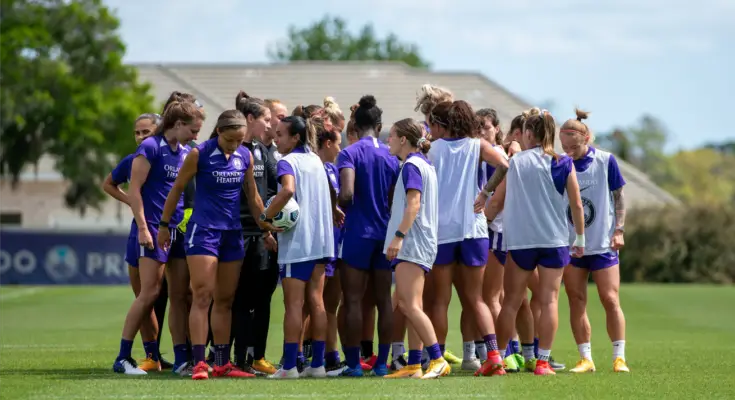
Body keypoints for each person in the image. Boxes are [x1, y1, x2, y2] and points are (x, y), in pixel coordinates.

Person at [158, 109, 267, 380]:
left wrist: (266, 224)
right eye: (230, 139)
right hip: (204, 232)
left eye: (240, 140)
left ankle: (221, 363)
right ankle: (198, 363)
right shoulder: (200, 153)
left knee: (226, 300)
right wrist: (163, 225)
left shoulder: (245, 156)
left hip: (233, 234)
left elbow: (252, 196)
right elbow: (177, 189)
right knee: (202, 296)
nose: (235, 145)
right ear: (219, 131)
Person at [492, 110, 585, 376]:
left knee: (510, 301)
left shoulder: (517, 162)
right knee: (549, 302)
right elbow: (577, 205)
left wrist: (482, 216)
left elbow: (496, 201)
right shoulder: (564, 163)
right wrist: (579, 238)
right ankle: (542, 361)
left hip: (521, 241)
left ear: (529, 134)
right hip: (553, 240)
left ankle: (497, 360)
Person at [112, 101, 202, 375]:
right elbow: (135, 190)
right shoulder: (150, 148)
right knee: (149, 292)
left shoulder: (185, 152)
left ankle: (181, 359)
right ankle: (123, 357)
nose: (196, 135)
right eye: (193, 129)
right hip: (152, 229)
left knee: (178, 295)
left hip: (176, 230)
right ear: (178, 125)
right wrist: (142, 227)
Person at [426, 100, 509, 377]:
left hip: (443, 231)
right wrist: (485, 193)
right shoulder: (476, 145)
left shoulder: (433, 148)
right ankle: (494, 355)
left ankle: (437, 359)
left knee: (440, 300)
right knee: (476, 299)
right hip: (474, 230)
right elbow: (504, 164)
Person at [266, 115, 341, 379]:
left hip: (298, 244)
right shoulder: (315, 160)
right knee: (317, 303)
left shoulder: (287, 162)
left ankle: (288, 368)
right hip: (321, 242)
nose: (276, 139)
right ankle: (318, 365)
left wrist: (265, 217)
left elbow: (287, 191)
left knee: (294, 306)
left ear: (295, 137)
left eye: (280, 134)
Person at [559, 109, 629, 373]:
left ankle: (619, 357)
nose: (569, 152)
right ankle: (585, 358)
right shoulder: (560, 163)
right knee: (576, 300)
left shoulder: (605, 160)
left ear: (586, 138)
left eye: (573, 147)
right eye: (564, 147)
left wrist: (619, 229)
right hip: (571, 245)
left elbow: (619, 196)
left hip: (602, 243)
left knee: (610, 299)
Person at [337, 95, 400, 377]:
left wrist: (335, 201)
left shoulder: (348, 153)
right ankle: (383, 363)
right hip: (384, 234)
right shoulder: (391, 155)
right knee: (384, 299)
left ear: (355, 124)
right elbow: (392, 198)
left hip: (357, 234)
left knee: (352, 300)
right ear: (379, 125)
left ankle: (352, 365)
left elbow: (347, 194)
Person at [383, 118, 450, 379]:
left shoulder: (411, 165)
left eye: (392, 135)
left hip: (412, 243)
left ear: (403, 140)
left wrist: (398, 237)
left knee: (409, 305)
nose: (388, 140)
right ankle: (413, 364)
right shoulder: (424, 164)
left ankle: (437, 358)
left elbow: (413, 205)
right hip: (421, 242)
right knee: (407, 303)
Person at [102, 112, 161, 371]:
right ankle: (151, 356)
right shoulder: (133, 160)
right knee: (144, 296)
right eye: (137, 132)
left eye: (145, 132)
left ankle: (183, 357)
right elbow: (109, 184)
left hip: (170, 231)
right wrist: (131, 200)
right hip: (141, 232)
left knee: (181, 296)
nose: (140, 137)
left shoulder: (175, 156)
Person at [229, 92, 279, 376]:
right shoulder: (235, 150)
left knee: (255, 298)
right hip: (236, 231)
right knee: (235, 299)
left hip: (258, 233)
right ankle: (231, 357)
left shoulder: (260, 151)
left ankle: (250, 357)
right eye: (266, 119)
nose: (270, 125)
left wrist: (266, 229)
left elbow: (262, 195)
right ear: (250, 119)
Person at [316, 97, 348, 376]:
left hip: (337, 243)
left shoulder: (332, 167)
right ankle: (307, 356)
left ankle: (331, 354)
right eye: (339, 137)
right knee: (313, 303)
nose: (341, 146)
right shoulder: (316, 166)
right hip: (322, 244)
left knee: (330, 305)